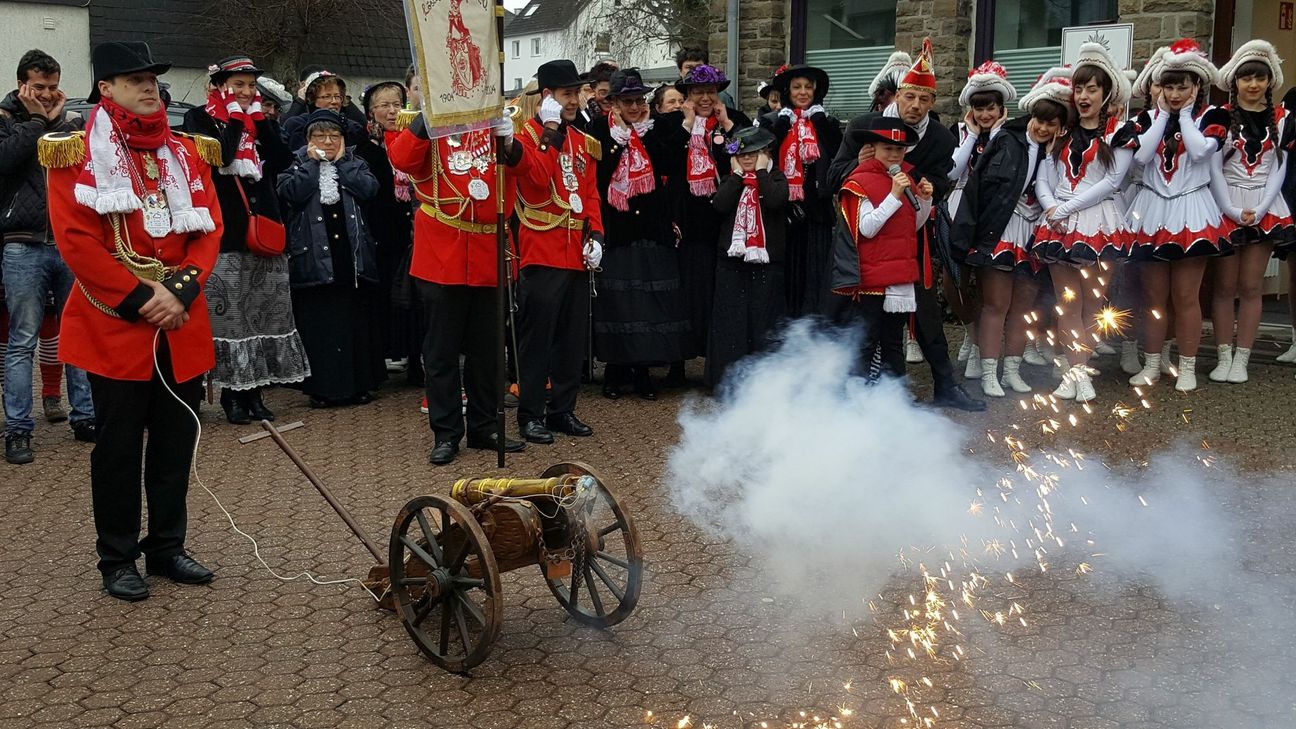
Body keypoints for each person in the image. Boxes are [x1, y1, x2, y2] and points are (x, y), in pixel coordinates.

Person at [44, 41, 223, 600]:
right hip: (116, 321)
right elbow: (76, 240)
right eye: (134, 79)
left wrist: (180, 291)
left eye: (152, 79)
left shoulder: (187, 151)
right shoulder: (75, 152)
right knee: (118, 449)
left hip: (180, 319)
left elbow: (209, 227)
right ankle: (117, 557)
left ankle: (167, 546)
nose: (149, 87)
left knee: (174, 442)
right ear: (106, 89)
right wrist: (141, 300)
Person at [828, 39, 985, 412]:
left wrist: (930, 188)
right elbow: (831, 179)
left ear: (932, 102)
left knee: (925, 312)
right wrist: (860, 163)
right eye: (910, 96)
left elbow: (942, 181)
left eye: (923, 99)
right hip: (867, 239)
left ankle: (944, 385)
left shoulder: (941, 137)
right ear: (897, 94)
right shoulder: (863, 128)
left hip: (912, 235)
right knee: (862, 321)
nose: (915, 105)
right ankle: (855, 389)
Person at [388, 104, 525, 464]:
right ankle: (446, 432)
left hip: (488, 250)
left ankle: (484, 426)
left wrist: (511, 145)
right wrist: (427, 117)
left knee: (488, 351)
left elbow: (529, 173)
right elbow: (402, 159)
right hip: (442, 253)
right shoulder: (432, 123)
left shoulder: (496, 122)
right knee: (441, 351)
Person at [183, 55, 308, 425]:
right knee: (232, 317)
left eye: (251, 86)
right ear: (220, 86)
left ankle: (255, 392)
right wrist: (237, 120)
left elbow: (282, 160)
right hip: (227, 230)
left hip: (263, 227)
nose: (246, 91)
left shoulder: (259, 119)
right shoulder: (199, 119)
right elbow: (220, 157)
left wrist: (260, 122)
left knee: (263, 313)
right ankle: (232, 396)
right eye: (239, 85)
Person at [1, 48, 96, 463]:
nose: (46, 94)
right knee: (21, 340)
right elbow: (5, 162)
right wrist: (38, 122)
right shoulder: (4, 120)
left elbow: (84, 168)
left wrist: (56, 122)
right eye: (38, 87)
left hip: (68, 242)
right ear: (22, 84)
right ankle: (18, 429)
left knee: (78, 334)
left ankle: (85, 416)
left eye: (53, 87)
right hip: (21, 242)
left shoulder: (69, 122)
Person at [955, 70, 1069, 398]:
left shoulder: (1057, 151)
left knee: (1023, 306)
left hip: (1034, 233)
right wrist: (973, 235)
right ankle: (989, 373)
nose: (1042, 128)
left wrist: (1052, 155)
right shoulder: (1007, 139)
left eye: (1051, 124)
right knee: (996, 304)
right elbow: (979, 188)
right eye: (1039, 120)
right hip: (1000, 230)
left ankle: (1012, 372)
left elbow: (1055, 189)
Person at [1124, 39, 1230, 392]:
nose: (1173, 93)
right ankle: (1153, 363)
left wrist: (1184, 116)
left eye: (1182, 86)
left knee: (1186, 297)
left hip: (1191, 210)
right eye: (1168, 86)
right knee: (1153, 298)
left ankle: (1187, 366)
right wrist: (1163, 115)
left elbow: (1200, 153)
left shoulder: (1213, 116)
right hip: (1152, 210)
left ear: (1196, 85)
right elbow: (1141, 158)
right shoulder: (1146, 119)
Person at [1032, 45, 1136, 402]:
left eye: (1092, 88)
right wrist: (1052, 207)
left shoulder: (1121, 131)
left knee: (1093, 303)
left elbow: (1112, 181)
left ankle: (1079, 372)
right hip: (1058, 222)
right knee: (1068, 302)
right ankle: (1075, 374)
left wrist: (1065, 209)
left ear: (1106, 93)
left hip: (1099, 221)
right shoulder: (1061, 132)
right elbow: (1044, 178)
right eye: (1079, 89)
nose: (1084, 96)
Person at [512, 60, 604, 443]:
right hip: (542, 248)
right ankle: (531, 413)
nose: (574, 101)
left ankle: (562, 410)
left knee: (570, 340)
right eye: (567, 94)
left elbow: (590, 193)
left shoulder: (583, 140)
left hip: (575, 251)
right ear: (547, 96)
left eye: (576, 93)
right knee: (537, 340)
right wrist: (549, 132)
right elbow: (536, 180)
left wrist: (597, 236)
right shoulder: (525, 138)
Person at [589, 68, 689, 399]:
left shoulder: (656, 127)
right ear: (614, 103)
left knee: (649, 303)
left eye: (638, 100)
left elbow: (670, 164)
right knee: (618, 302)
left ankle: (644, 372)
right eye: (627, 101)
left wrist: (643, 135)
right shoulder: (599, 130)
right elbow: (598, 175)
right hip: (617, 226)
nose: (634, 107)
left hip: (651, 225)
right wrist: (620, 140)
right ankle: (615, 370)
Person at [278, 108, 386, 407]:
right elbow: (291, 193)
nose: (327, 141)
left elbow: (370, 189)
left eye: (334, 135)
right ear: (308, 139)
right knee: (321, 326)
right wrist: (313, 164)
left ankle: (361, 385)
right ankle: (323, 389)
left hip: (352, 257)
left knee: (356, 323)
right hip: (313, 258)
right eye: (320, 135)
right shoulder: (296, 163)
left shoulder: (356, 162)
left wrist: (342, 164)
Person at [1207, 40, 1293, 384]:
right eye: (1246, 78)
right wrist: (1230, 208)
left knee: (1251, 285)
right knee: (1224, 286)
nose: (1253, 84)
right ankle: (1222, 356)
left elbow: (1279, 168)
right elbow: (1213, 167)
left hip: (1265, 205)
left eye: (1260, 78)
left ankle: (1242, 358)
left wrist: (1260, 209)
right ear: (1235, 82)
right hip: (1225, 202)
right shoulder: (1219, 116)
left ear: (1270, 81)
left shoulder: (1284, 119)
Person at [665, 64, 750, 385]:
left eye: (710, 92)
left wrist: (727, 125)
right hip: (686, 218)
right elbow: (667, 160)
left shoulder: (734, 121)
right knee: (685, 292)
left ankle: (717, 364)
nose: (705, 98)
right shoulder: (674, 122)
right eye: (698, 92)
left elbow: (742, 155)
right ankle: (677, 363)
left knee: (720, 294)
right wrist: (688, 125)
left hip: (723, 219)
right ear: (687, 95)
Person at [829, 116, 932, 379]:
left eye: (899, 149)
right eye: (888, 148)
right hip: (871, 279)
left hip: (899, 274)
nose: (894, 154)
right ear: (872, 148)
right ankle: (857, 395)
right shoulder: (857, 181)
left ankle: (894, 396)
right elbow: (867, 228)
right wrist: (894, 195)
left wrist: (925, 200)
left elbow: (912, 225)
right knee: (866, 342)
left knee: (893, 342)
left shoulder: (905, 179)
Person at [708, 125, 788, 389]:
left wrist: (762, 173)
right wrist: (737, 177)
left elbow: (776, 201)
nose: (747, 158)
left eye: (753, 153)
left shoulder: (775, 177)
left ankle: (764, 383)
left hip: (767, 263)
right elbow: (720, 204)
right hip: (732, 263)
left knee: (764, 321)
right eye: (741, 154)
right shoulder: (731, 179)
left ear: (765, 153)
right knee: (731, 321)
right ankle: (728, 380)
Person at [946, 60, 1014, 375]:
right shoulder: (961, 132)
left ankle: (981, 349)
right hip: (960, 212)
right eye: (979, 108)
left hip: (993, 216)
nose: (985, 114)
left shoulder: (1010, 136)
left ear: (1001, 108)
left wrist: (996, 132)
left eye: (990, 108)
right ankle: (971, 333)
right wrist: (972, 135)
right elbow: (952, 172)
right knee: (953, 284)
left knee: (990, 286)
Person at [760, 64, 842, 318]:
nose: (803, 92)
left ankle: (814, 320)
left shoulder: (826, 122)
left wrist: (820, 122)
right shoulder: (773, 121)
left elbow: (838, 152)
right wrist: (784, 123)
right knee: (785, 267)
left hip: (816, 206)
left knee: (815, 267)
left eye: (808, 87)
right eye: (797, 87)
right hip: (784, 206)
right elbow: (764, 151)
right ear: (788, 91)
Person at [354, 81, 421, 387]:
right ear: (371, 112)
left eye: (397, 104)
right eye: (384, 105)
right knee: (387, 297)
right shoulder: (365, 147)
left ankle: (417, 361)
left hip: (412, 231)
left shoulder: (413, 140)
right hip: (382, 234)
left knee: (416, 300)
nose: (392, 111)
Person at [281, 71, 366, 151]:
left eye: (337, 97)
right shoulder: (296, 125)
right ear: (313, 99)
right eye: (327, 97)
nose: (334, 101)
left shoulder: (352, 129)